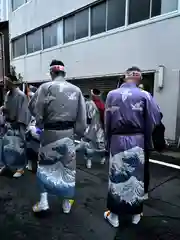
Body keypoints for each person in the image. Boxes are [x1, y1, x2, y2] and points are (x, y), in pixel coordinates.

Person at [104, 66, 161, 228]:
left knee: (116, 176)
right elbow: (153, 119)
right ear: (139, 79)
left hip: (117, 140)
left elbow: (107, 121)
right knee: (137, 178)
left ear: (124, 77)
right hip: (138, 140)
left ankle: (114, 216)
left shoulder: (111, 95)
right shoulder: (144, 95)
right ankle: (136, 214)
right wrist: (148, 141)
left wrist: (107, 143)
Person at [29, 59, 86, 214]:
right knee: (68, 168)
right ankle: (67, 203)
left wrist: (40, 124)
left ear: (52, 73)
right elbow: (82, 118)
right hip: (68, 134)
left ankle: (43, 202)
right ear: (63, 72)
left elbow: (34, 108)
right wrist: (80, 133)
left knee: (46, 167)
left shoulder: (44, 87)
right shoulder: (76, 90)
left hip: (49, 134)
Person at [0, 74, 30, 177]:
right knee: (6, 146)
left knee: (19, 146)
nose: (4, 84)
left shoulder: (21, 95)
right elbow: (7, 107)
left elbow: (25, 111)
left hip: (18, 124)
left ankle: (20, 168)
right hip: (8, 123)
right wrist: (4, 109)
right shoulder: (8, 94)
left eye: (5, 81)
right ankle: (6, 165)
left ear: (11, 82)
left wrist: (19, 123)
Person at [77, 89, 106, 169]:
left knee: (89, 144)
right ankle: (103, 158)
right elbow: (104, 118)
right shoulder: (102, 105)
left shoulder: (88, 104)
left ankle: (89, 161)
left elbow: (84, 116)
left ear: (92, 95)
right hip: (99, 128)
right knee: (100, 145)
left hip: (90, 127)